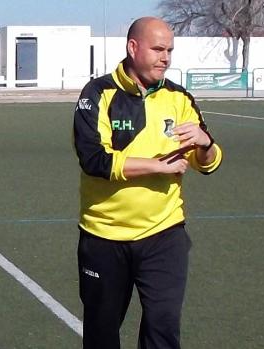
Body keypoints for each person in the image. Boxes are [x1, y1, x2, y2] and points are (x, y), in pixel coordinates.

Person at [73, 16, 223, 349]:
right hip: (104, 236)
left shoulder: (178, 98)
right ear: (133, 48)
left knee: (163, 327)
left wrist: (206, 144)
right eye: (158, 49)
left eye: (169, 50)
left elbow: (208, 164)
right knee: (101, 333)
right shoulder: (97, 94)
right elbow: (94, 159)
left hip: (164, 234)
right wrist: (155, 166)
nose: (165, 57)